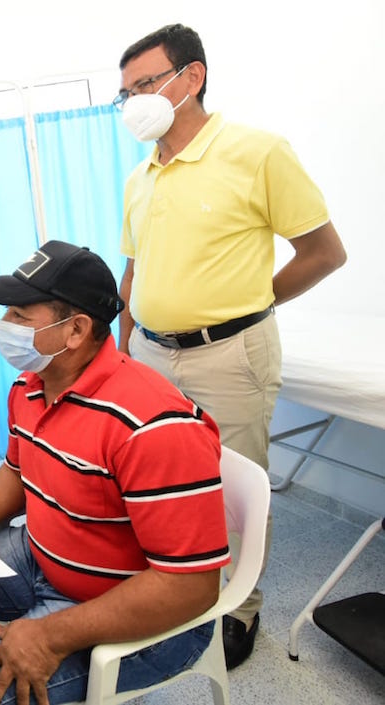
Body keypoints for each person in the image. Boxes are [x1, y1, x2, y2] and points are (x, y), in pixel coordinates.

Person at [113, 23, 346, 668]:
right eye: (124, 92)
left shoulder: (258, 151)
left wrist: (252, 302)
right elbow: (133, 273)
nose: (134, 101)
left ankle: (240, 607)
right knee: (165, 481)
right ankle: (175, 593)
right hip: (153, 354)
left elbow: (325, 252)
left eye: (146, 84)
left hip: (231, 353)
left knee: (237, 487)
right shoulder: (139, 180)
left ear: (192, 78)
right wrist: (125, 352)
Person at [0, 241, 230, 705]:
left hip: (147, 614)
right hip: (45, 556)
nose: (5, 327)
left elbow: (190, 586)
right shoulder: (31, 386)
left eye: (20, 316)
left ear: (76, 330)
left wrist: (49, 636)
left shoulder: (152, 425)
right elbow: (19, 470)